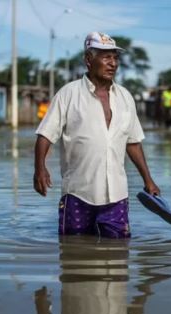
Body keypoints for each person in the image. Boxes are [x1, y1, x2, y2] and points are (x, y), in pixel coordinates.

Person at [33, 31, 160, 239]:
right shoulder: (68, 94)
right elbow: (45, 135)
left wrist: (149, 180)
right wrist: (40, 168)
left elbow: (133, 142)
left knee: (118, 257)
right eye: (106, 57)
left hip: (116, 196)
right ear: (88, 60)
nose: (113, 63)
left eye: (115, 58)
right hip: (78, 193)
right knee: (73, 252)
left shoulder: (125, 97)